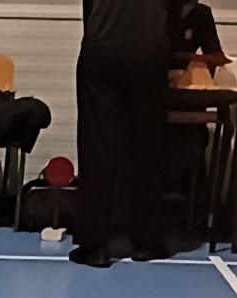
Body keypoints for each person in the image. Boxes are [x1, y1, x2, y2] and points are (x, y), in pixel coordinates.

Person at [71, 0, 174, 267]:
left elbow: (88, 6)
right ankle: (145, 241)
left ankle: (95, 245)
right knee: (147, 145)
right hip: (148, 50)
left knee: (97, 147)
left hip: (101, 47)